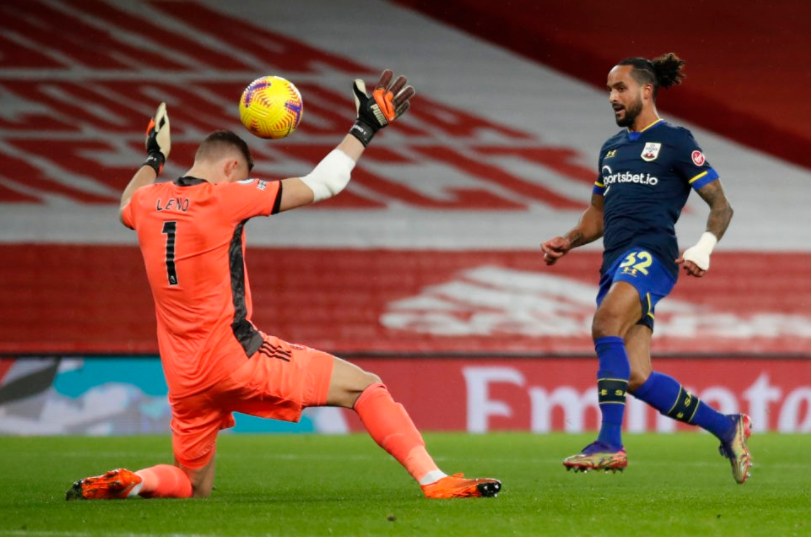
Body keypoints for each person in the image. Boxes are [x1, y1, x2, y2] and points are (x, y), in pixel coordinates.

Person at [66, 70, 501, 500]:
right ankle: (434, 480)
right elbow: (324, 183)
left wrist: (152, 158)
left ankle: (137, 481)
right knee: (364, 386)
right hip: (235, 358)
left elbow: (125, 201)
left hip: (183, 376)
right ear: (231, 167)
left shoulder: (147, 202)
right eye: (241, 175)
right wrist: (364, 127)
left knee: (193, 485)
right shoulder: (224, 197)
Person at [541, 54, 752, 483]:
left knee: (604, 325)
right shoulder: (612, 149)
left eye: (620, 88)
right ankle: (726, 426)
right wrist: (569, 239)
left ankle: (609, 444)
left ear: (646, 90)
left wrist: (704, 248)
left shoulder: (675, 140)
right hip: (615, 261)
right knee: (635, 375)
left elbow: (721, 205)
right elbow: (596, 217)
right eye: (609, 90)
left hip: (651, 254)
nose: (613, 98)